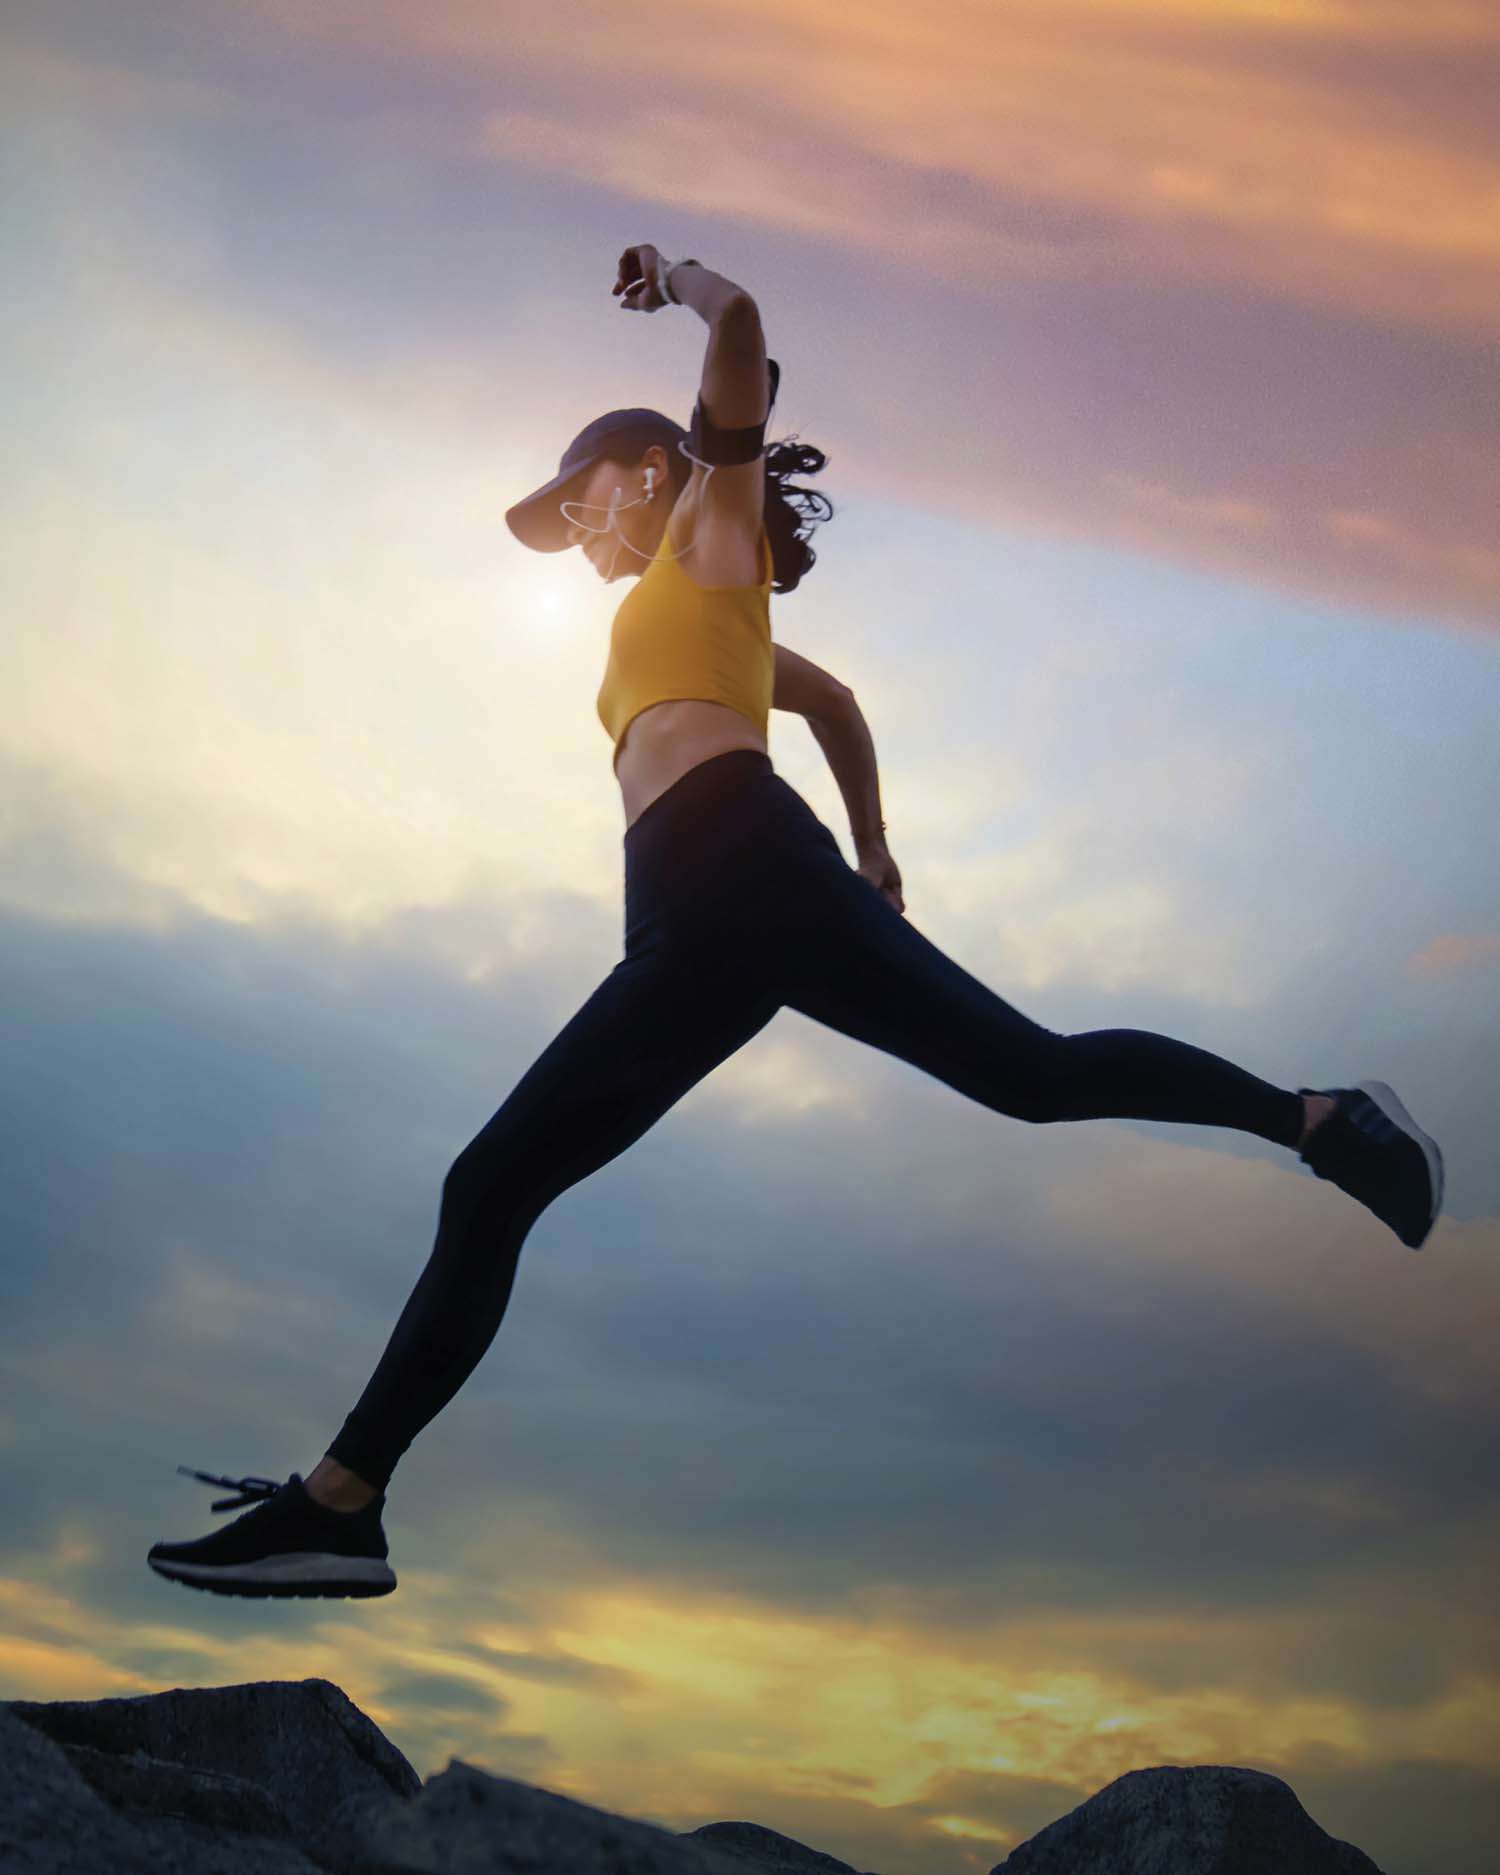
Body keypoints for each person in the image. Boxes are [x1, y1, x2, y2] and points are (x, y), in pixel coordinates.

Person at [147, 246, 1445, 1602]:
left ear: (650, 474)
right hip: (706, 913)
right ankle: (1321, 1122)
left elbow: (749, 328)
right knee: (1025, 1079)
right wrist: (877, 846)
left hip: (735, 870)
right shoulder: (699, 608)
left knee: (497, 1185)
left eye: (582, 506)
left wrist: (684, 281)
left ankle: (342, 1505)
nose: (581, 540)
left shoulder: (709, 529)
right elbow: (830, 706)